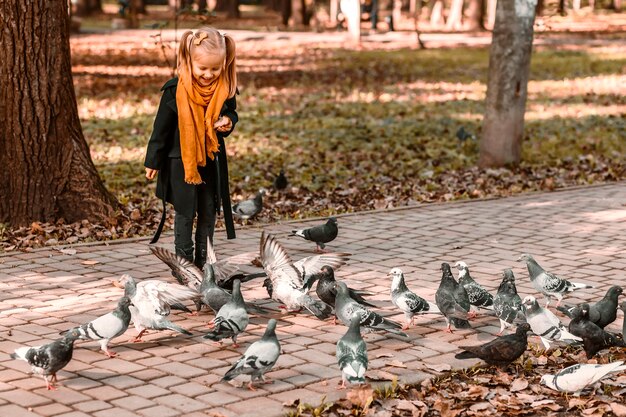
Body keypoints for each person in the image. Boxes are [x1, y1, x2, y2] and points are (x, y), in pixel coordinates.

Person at [144, 27, 238, 269]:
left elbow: (231, 112)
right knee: (186, 214)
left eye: (215, 69)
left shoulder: (225, 89)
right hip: (181, 163)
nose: (209, 75)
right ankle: (184, 267)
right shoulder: (174, 91)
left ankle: (205, 265)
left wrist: (229, 121)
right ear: (189, 61)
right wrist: (153, 160)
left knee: (208, 212)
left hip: (210, 161)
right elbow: (160, 129)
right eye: (203, 68)